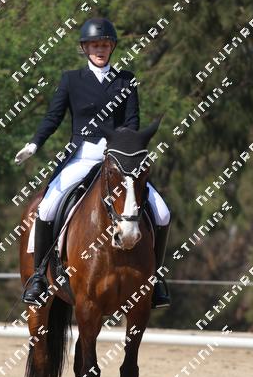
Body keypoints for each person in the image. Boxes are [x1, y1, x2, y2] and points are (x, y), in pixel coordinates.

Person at [15, 17, 171, 307]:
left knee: (161, 212)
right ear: (85, 48)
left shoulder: (126, 80)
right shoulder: (71, 80)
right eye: (94, 45)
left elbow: (132, 121)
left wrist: (123, 148)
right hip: (82, 155)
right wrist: (34, 144)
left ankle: (156, 279)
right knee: (46, 207)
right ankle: (38, 276)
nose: (100, 50)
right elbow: (53, 117)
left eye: (105, 45)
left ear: (112, 48)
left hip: (117, 159)